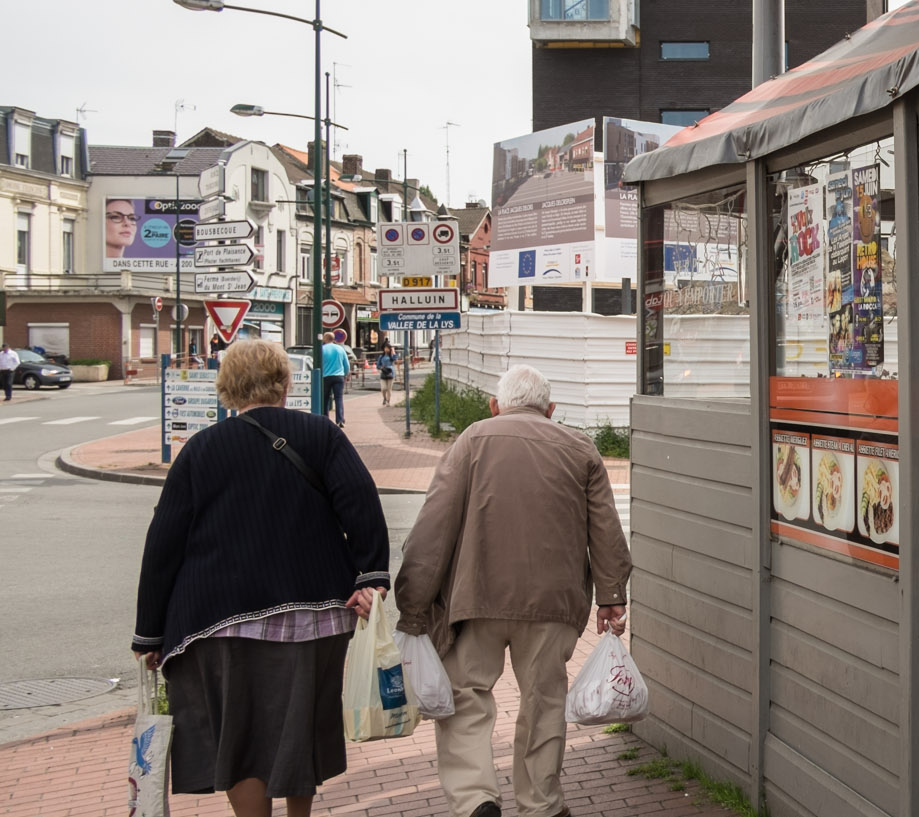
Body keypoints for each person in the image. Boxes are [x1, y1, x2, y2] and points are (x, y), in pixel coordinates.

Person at [131, 340, 390, 817]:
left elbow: (164, 542)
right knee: (302, 725)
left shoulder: (201, 449)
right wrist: (370, 578)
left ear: (226, 387)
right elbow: (362, 505)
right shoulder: (321, 434)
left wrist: (150, 631)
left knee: (239, 732)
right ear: (285, 383)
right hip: (313, 612)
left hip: (219, 618)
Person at [395, 365, 631, 817]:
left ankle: (476, 798)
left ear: (495, 405)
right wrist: (611, 595)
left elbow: (433, 526)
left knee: (465, 698)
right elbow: (605, 527)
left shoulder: (473, 439)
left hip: (475, 600)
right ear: (551, 409)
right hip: (552, 604)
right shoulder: (581, 447)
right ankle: (540, 803)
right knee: (543, 702)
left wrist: (413, 605)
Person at [320, 330, 349, 427]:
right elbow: (346, 365)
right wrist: (345, 374)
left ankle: (325, 419)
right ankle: (340, 420)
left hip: (325, 377)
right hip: (339, 377)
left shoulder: (322, 349)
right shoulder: (340, 349)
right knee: (339, 398)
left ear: (325, 339)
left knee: (325, 398)